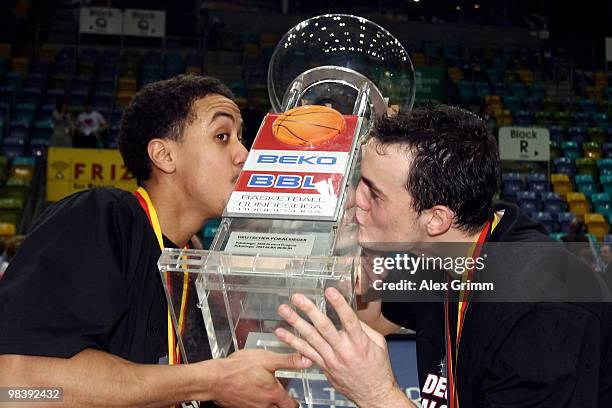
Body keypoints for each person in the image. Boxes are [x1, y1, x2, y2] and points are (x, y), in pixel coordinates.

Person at [0, 74, 311, 407]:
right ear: (164, 155)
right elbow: (16, 385)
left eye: (240, 137)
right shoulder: (100, 217)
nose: (243, 154)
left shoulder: (199, 262)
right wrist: (210, 381)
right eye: (222, 136)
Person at [275, 105, 612, 407]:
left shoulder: (543, 312)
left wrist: (377, 394)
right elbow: (373, 319)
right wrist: (374, 250)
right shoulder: (446, 252)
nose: (353, 199)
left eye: (372, 192)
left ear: (436, 219)